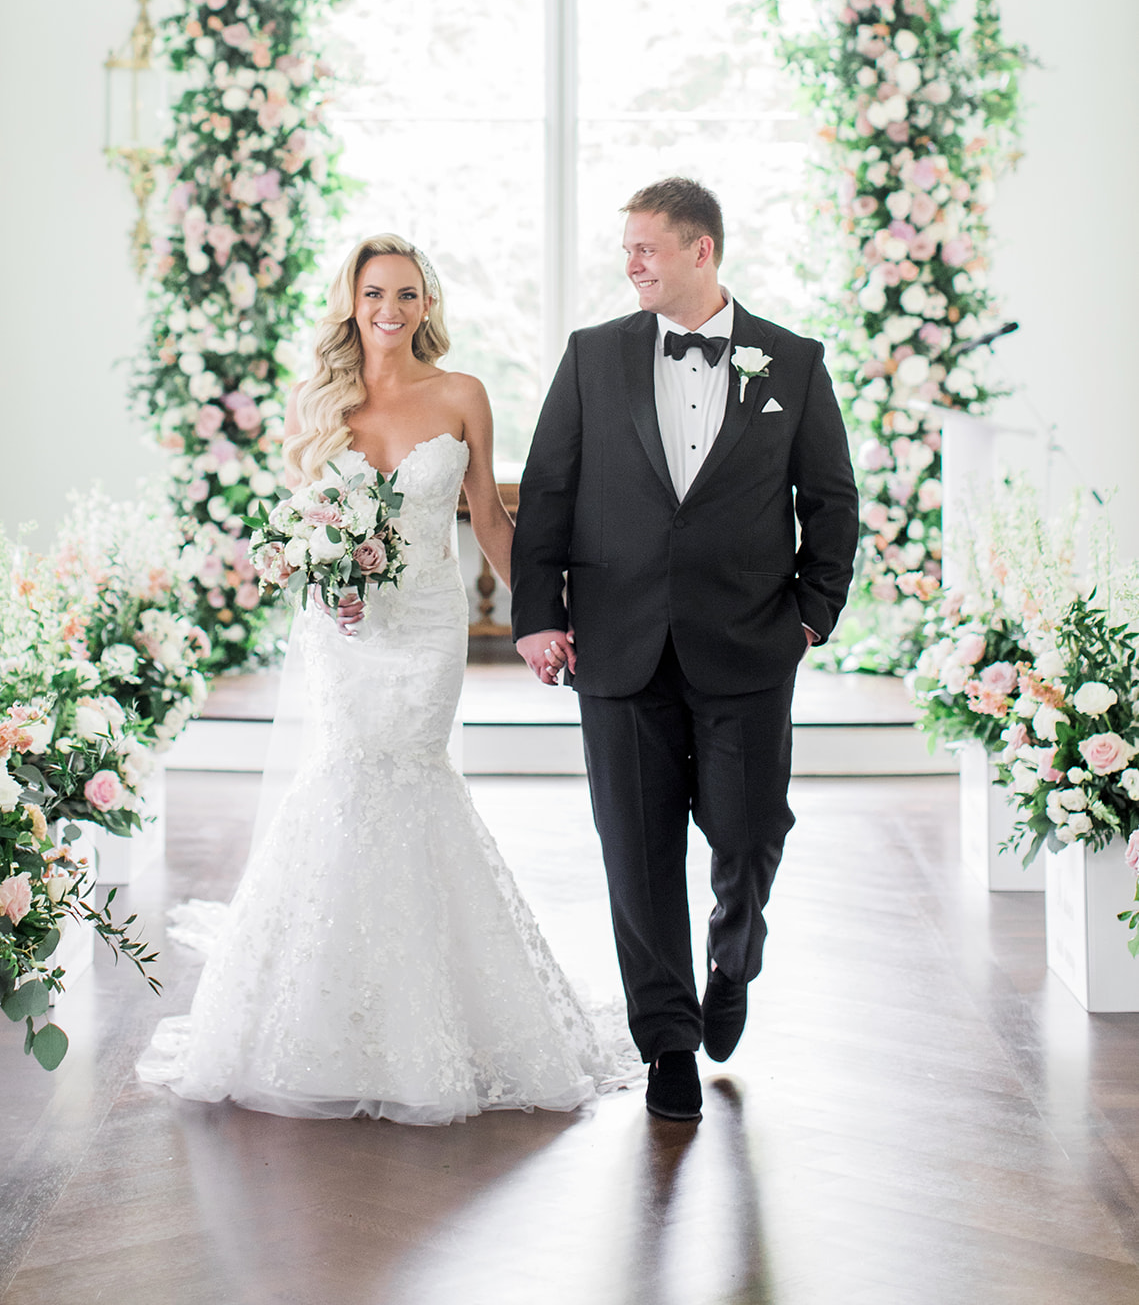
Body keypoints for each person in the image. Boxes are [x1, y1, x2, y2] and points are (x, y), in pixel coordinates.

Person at [138, 234, 628, 1123]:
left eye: (406, 293)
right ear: (351, 303)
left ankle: (430, 1015)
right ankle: (327, 1016)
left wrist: (544, 616)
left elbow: (487, 516)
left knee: (412, 777)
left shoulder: (462, 395)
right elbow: (300, 533)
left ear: (428, 304)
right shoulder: (317, 403)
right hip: (348, 634)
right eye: (373, 294)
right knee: (346, 778)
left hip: (429, 627)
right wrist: (330, 590)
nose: (390, 309)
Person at [512, 178, 859, 1122]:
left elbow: (830, 500)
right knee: (637, 851)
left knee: (750, 835)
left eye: (644, 248)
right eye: (626, 248)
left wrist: (811, 616)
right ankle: (665, 1039)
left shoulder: (791, 361)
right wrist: (538, 614)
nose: (629, 264)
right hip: (616, 645)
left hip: (748, 644)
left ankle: (733, 951)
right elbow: (546, 491)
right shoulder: (592, 358)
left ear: (700, 250)